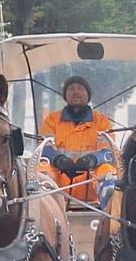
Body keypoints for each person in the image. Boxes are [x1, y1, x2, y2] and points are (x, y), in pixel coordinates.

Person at [39, 75, 117, 204]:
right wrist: (59, 159)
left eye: (80, 88)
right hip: (59, 186)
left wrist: (93, 159)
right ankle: (43, 208)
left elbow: (108, 152)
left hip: (91, 186)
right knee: (42, 167)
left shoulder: (102, 122)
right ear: (65, 96)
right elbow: (44, 147)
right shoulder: (52, 120)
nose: (75, 91)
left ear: (88, 95)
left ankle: (110, 208)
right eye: (71, 89)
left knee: (107, 170)